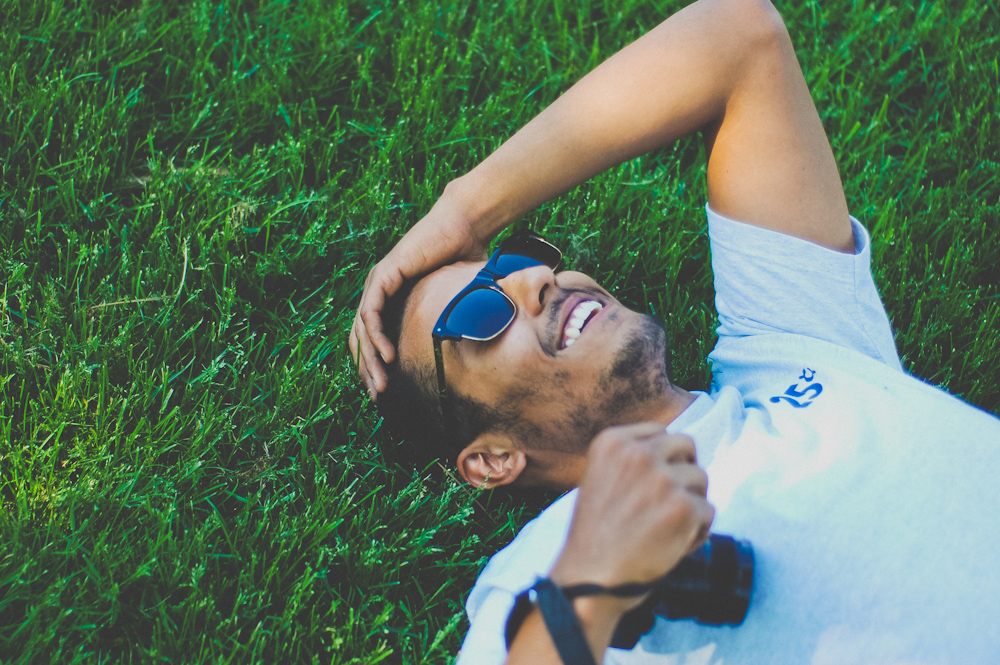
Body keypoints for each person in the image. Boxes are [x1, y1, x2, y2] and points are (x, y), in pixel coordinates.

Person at [349, 0, 1000, 663]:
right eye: (480, 315)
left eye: (515, 260)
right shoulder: (539, 580)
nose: (535, 280)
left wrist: (466, 209)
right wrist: (586, 589)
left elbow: (740, 38)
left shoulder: (789, 341)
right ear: (492, 459)